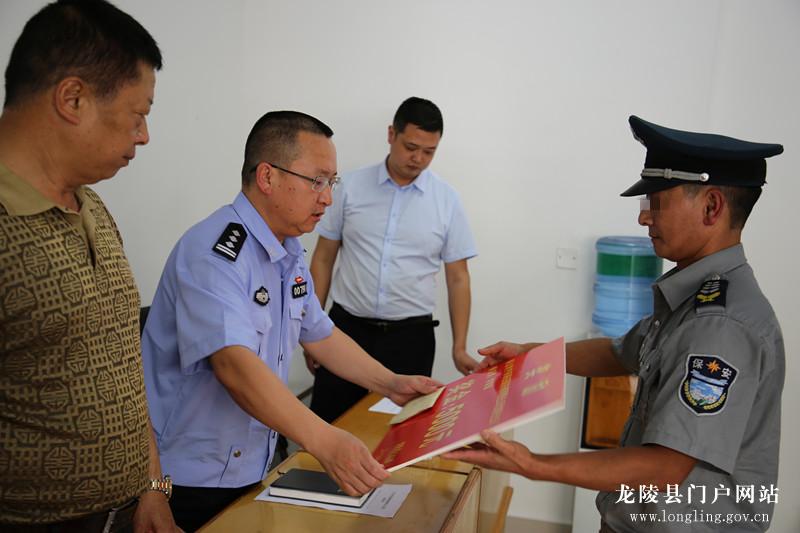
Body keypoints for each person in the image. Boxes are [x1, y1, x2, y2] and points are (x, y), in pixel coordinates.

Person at [445, 115, 785, 532]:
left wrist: (533, 464)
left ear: (711, 206)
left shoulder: (721, 324)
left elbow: (665, 466)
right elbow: (619, 351)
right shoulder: (692, 296)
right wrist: (529, 354)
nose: (644, 219)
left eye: (655, 203)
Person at [141, 110, 440, 532]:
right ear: (267, 177)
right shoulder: (215, 253)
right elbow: (234, 367)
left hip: (251, 468)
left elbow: (320, 334)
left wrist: (391, 383)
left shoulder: (288, 251)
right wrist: (323, 440)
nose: (327, 198)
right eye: (317, 181)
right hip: (187, 481)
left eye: (332, 182)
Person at [0, 1, 179, 532]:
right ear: (73, 98)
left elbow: (122, 361)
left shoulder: (92, 205)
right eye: (137, 114)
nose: (144, 135)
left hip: (128, 514)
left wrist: (153, 487)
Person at [307, 96, 478, 423]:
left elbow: (458, 278)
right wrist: (311, 328)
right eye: (411, 147)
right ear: (391, 134)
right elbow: (323, 258)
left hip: (410, 339)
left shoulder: (447, 200)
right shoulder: (350, 187)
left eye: (429, 152)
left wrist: (459, 346)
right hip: (346, 330)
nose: (418, 159)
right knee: (329, 425)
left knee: (399, 433)